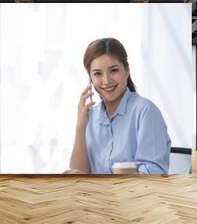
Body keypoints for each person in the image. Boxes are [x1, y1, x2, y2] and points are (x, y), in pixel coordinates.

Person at [64, 38, 171, 174]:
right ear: (90, 78)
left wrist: (98, 186)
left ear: (126, 70)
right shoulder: (90, 117)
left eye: (114, 70)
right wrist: (80, 126)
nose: (106, 80)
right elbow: (78, 173)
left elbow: (153, 175)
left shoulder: (146, 111)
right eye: (97, 73)